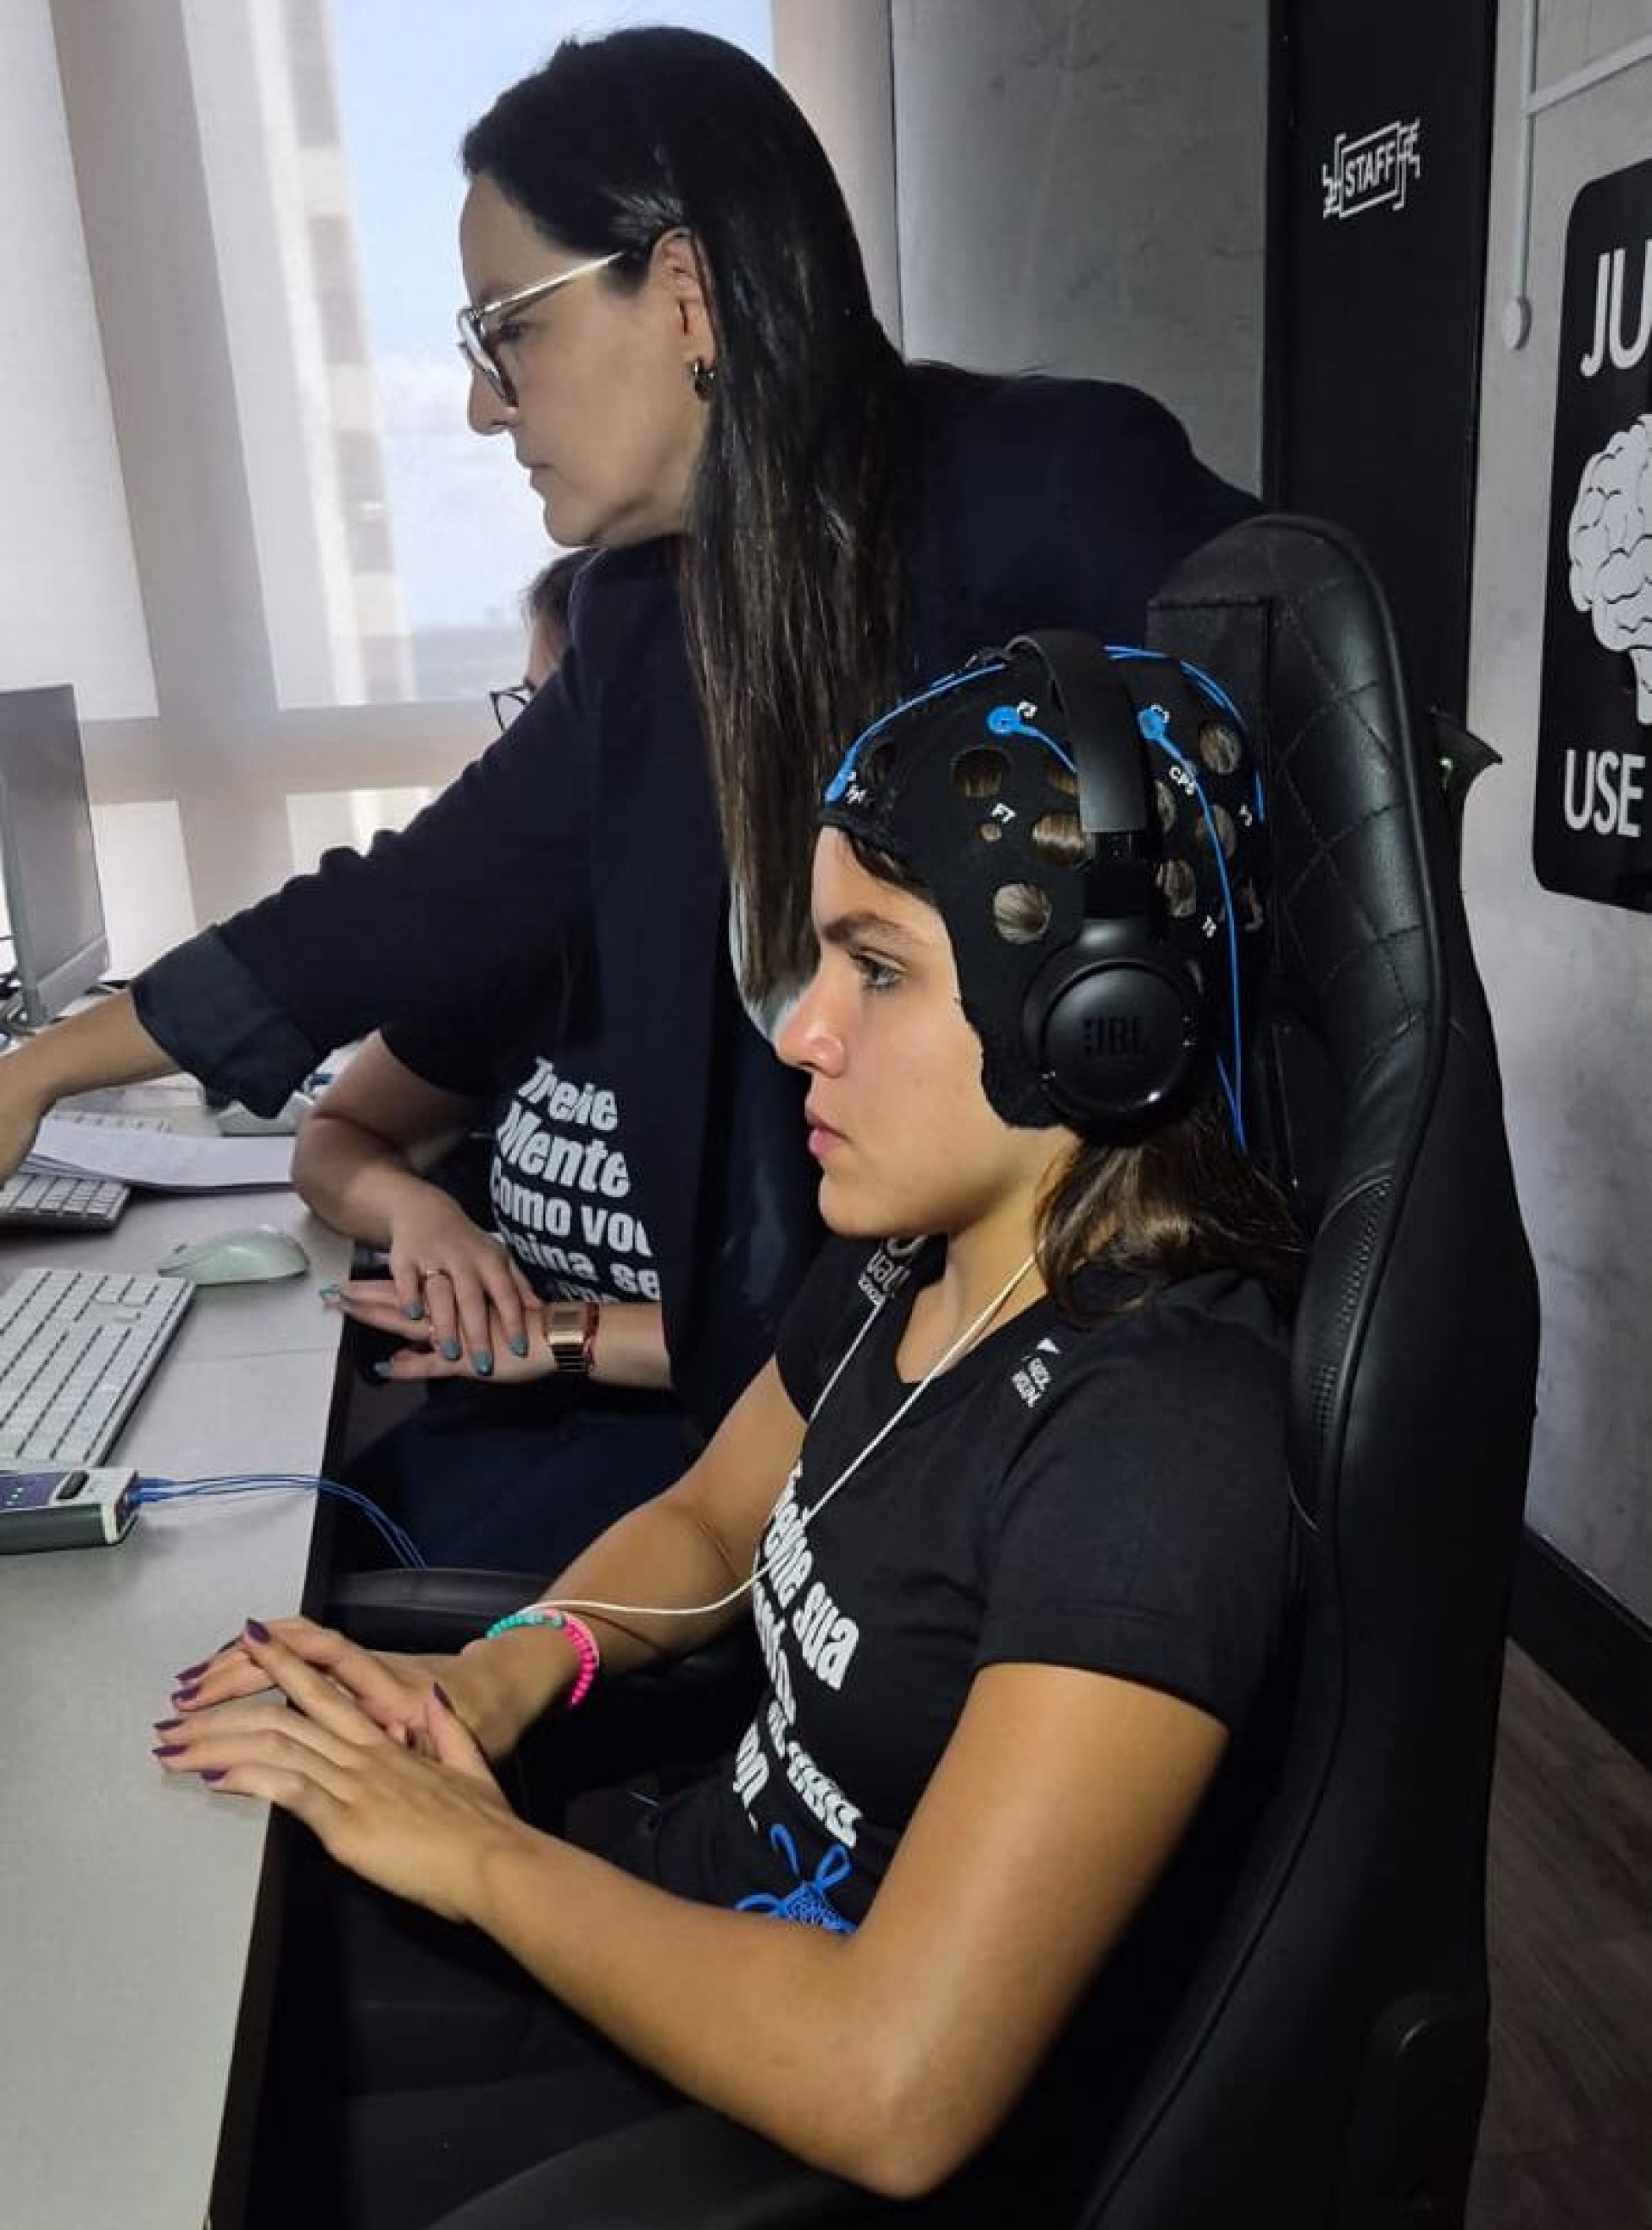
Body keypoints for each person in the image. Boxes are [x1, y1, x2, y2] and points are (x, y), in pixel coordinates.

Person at [155, 643, 1298, 2230]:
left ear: (1099, 1017)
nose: (800, 1032)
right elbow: (708, 1514)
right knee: (192, 2015)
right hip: (657, 1915)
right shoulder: (904, 1256)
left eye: (876, 968)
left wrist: (474, 1854)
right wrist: (503, 1671)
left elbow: (896, 2081)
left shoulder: (1158, 1449)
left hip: (805, 2183)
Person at [0, 28, 1256, 1438]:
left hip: (1113, 1379)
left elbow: (1326, 903)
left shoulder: (1059, 493)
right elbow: (407, 907)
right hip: (826, 1410)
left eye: (506, 331)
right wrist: (39, 1073)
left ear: (682, 295)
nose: (481, 405)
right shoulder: (644, 627)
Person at [297, 551, 685, 1572]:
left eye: (548, 714)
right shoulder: (538, 935)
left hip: (698, 1455)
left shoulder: (792, 977)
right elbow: (338, 1133)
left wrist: (559, 1332)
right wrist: (419, 1211)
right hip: (510, 1423)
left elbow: (834, 1341)